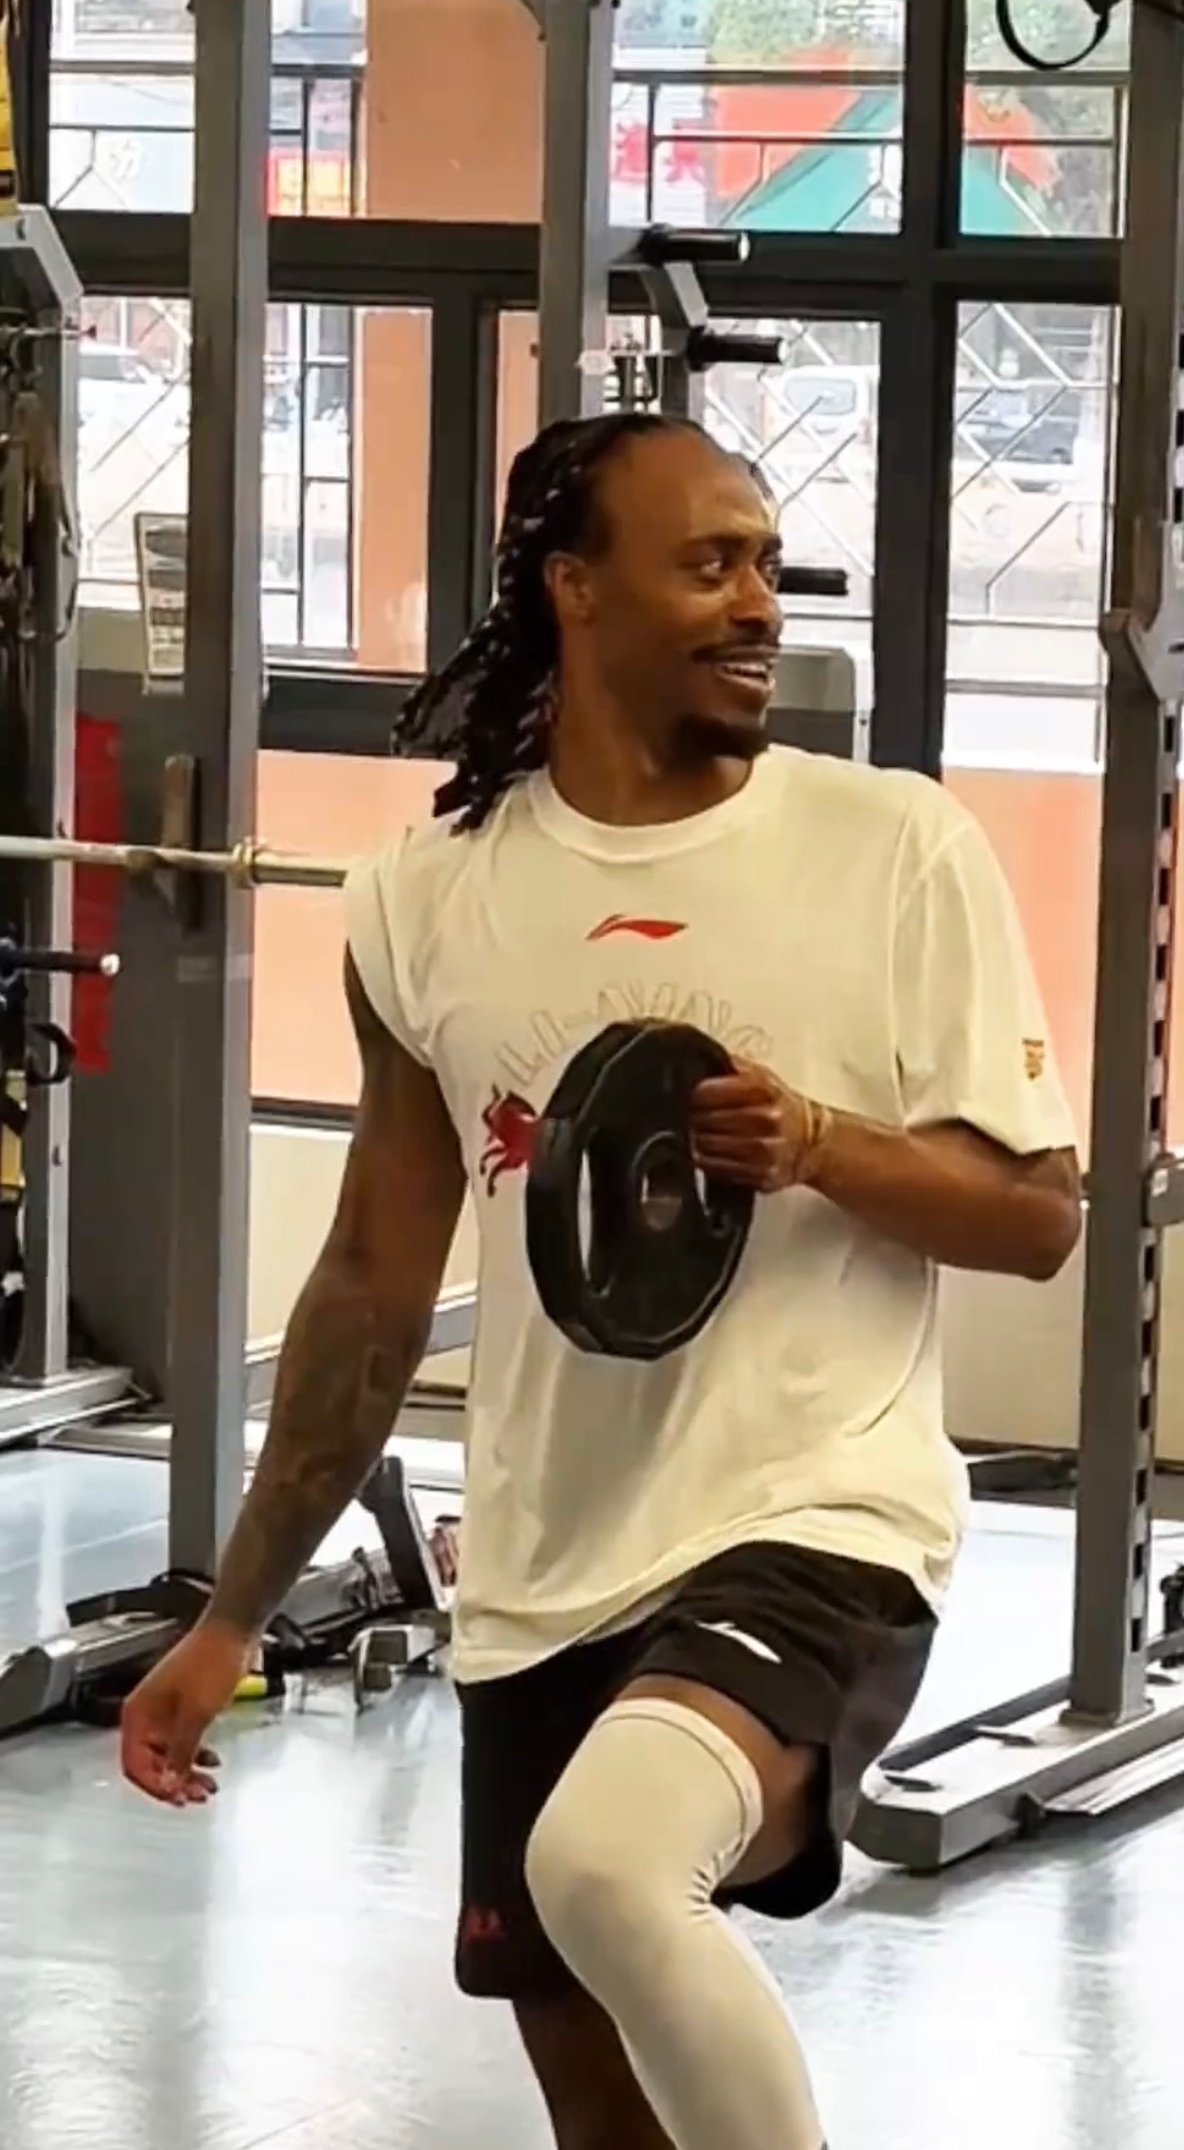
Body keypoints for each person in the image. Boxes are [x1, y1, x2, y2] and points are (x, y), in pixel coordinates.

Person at [121, 413, 1081, 2150]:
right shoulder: (426, 901)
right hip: (546, 1569)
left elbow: (1036, 1215)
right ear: (573, 587)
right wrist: (236, 1611)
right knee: (606, 2106)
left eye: (768, 565)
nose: (759, 603)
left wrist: (818, 1142)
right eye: (709, 563)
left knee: (610, 1861)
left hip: (817, 1516)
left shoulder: (895, 846)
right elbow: (367, 1289)